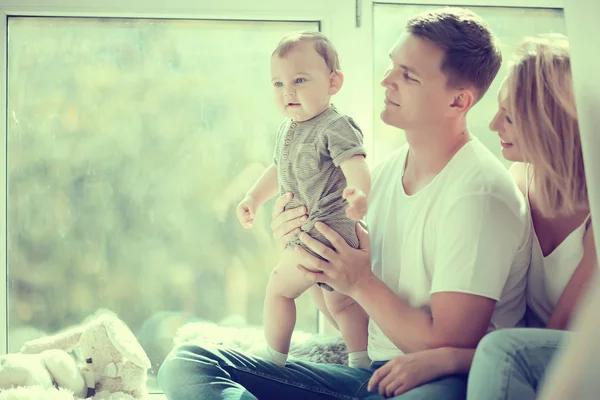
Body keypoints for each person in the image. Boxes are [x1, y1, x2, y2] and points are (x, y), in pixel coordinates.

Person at [158, 7, 531, 399]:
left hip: (435, 384)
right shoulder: (381, 177)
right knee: (191, 362)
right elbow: (347, 311)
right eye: (392, 65)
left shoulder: (479, 193)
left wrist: (360, 281)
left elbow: (446, 346)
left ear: (458, 101)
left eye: (408, 75)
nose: (387, 80)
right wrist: (307, 251)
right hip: (369, 376)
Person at [363, 34, 596, 399]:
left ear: (554, 125)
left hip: (571, 356)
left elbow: (551, 340)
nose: (493, 125)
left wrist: (448, 359)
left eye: (512, 117)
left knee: (502, 349)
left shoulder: (593, 216)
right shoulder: (521, 180)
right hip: (509, 355)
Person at [235, 31, 371, 369]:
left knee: (279, 289)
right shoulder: (288, 128)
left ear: (333, 82)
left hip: (325, 229)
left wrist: (359, 196)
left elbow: (356, 165)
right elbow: (278, 169)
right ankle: (360, 362)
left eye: (299, 79)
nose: (288, 92)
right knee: (341, 304)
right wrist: (254, 197)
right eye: (278, 84)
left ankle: (274, 361)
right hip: (318, 233)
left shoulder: (335, 125)